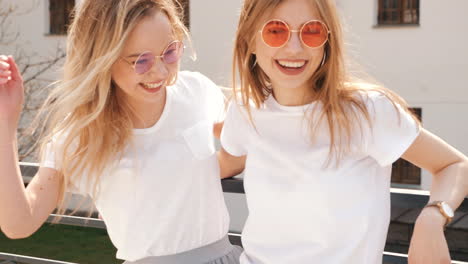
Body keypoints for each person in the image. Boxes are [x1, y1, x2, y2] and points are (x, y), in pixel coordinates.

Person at [218, 0, 468, 263]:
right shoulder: (245, 110)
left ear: (328, 41)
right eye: (275, 31)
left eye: (312, 31)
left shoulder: (367, 111)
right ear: (250, 41)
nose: (293, 48)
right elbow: (224, 165)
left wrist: (431, 219)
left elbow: (453, 164)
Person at [0, 0, 242, 263]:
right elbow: (19, 224)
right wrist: (6, 123)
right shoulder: (80, 135)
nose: (160, 71)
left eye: (170, 52)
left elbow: (228, 151)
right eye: (141, 61)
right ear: (104, 60)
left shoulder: (197, 92)